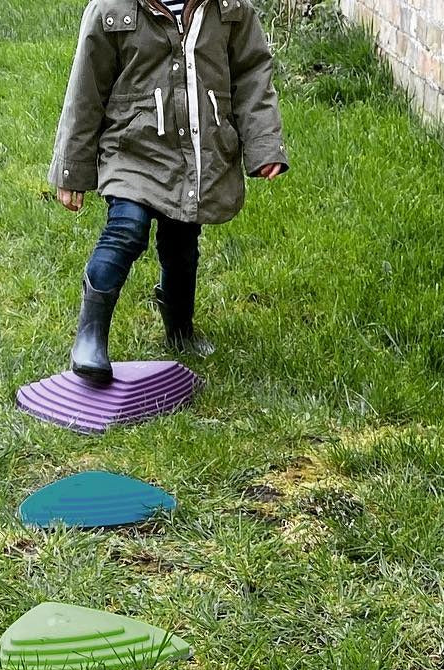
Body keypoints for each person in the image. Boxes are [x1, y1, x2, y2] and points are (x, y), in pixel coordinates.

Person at [49, 0, 288, 384]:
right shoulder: (112, 9)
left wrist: (263, 146)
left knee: (181, 242)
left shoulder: (229, 8)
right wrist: (71, 169)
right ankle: (90, 336)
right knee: (126, 228)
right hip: (132, 146)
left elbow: (252, 75)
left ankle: (180, 329)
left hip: (195, 149)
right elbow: (86, 90)